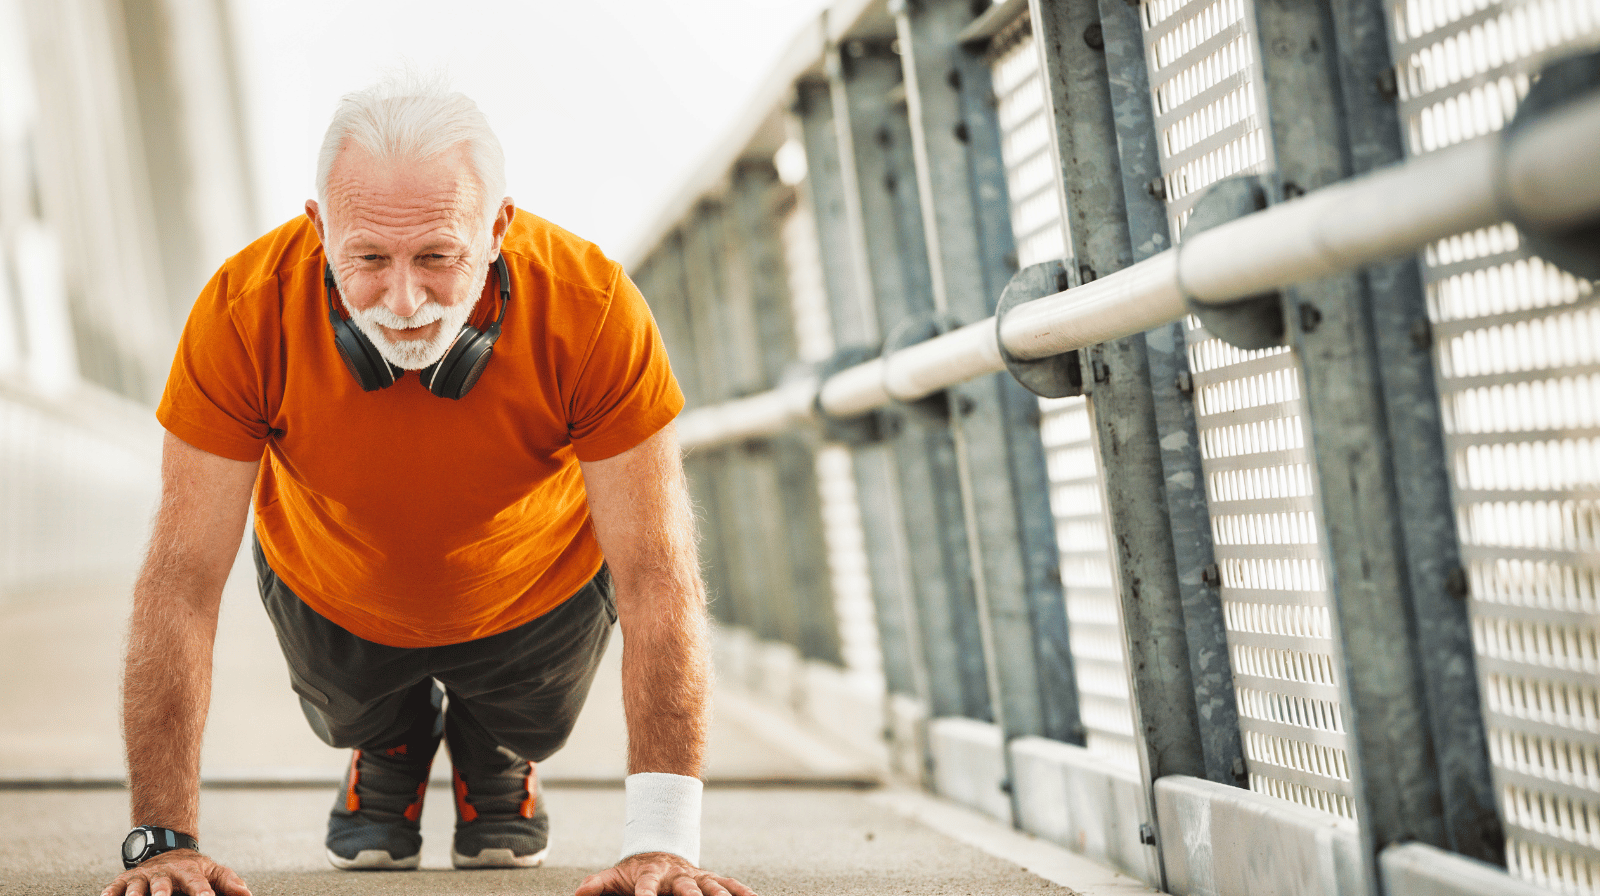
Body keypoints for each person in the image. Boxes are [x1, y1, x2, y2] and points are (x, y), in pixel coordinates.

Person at [103, 74, 756, 896]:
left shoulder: (592, 310)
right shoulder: (243, 310)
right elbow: (182, 581)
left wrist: (664, 844)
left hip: (536, 595)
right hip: (331, 588)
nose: (404, 301)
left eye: (440, 257)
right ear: (319, 228)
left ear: (498, 230)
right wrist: (162, 841)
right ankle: (390, 739)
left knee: (531, 719)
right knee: (360, 707)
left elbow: (659, 574)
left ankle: (495, 740)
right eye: (367, 259)